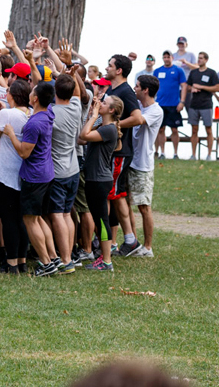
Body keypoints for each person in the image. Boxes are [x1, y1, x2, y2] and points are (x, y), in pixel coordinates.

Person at [3, 81, 59, 277]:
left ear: (34, 98)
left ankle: (45, 263)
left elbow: (24, 153)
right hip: (46, 173)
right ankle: (52, 257)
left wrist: (10, 134)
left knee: (30, 221)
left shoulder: (34, 124)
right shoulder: (48, 113)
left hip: (34, 176)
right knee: (38, 218)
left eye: (33, 91)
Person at [78, 94, 124, 271]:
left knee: (102, 221)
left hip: (99, 180)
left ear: (111, 110)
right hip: (95, 178)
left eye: (104, 103)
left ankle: (106, 261)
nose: (101, 104)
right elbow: (82, 139)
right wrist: (94, 116)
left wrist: (94, 114)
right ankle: (104, 259)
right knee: (99, 220)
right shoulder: (104, 127)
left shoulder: (108, 129)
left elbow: (83, 134)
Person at [0, 79, 30, 273]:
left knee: (8, 220)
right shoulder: (29, 114)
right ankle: (21, 260)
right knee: (21, 219)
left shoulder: (6, 113)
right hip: (22, 172)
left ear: (11, 95)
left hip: (4, 171)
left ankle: (11, 262)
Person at [105, 55, 141, 257]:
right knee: (116, 195)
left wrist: (114, 126)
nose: (106, 67)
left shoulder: (125, 92)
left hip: (120, 152)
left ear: (118, 70)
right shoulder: (112, 89)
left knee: (115, 195)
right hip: (113, 151)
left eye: (109, 65)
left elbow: (137, 118)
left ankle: (126, 240)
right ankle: (126, 240)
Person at [49, 69, 85, 273]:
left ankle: (65, 260)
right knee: (66, 214)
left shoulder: (51, 112)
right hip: (73, 169)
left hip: (57, 171)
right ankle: (69, 255)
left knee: (58, 216)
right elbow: (78, 93)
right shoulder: (75, 106)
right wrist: (71, 76)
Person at [128, 74, 162, 257]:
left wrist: (117, 124)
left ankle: (148, 247)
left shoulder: (156, 110)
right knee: (125, 204)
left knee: (144, 206)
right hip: (130, 160)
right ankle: (132, 242)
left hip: (143, 165)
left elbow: (138, 120)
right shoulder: (138, 105)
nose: (135, 88)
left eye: (137, 86)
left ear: (146, 90)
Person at [183, 52, 219, 159]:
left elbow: (217, 88)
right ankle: (193, 154)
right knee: (194, 130)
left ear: (206, 60)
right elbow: (188, 87)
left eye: (201, 58)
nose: (199, 60)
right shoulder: (193, 72)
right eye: (198, 58)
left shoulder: (211, 73)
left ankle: (209, 155)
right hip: (193, 104)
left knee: (208, 129)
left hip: (206, 105)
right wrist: (192, 89)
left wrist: (202, 87)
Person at [152, 51, 186, 160]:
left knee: (174, 129)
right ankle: (162, 152)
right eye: (164, 57)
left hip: (174, 104)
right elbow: (153, 87)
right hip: (160, 104)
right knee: (161, 129)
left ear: (172, 58)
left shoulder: (178, 70)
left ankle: (175, 153)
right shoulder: (157, 71)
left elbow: (184, 86)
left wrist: (182, 101)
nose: (166, 59)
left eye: (168, 57)